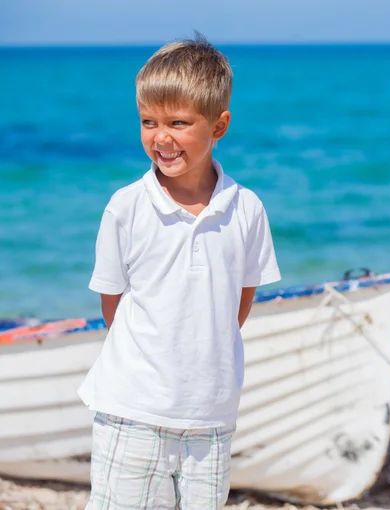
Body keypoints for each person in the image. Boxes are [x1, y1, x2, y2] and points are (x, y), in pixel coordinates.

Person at [78, 33, 281, 509]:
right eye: (148, 121)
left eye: (178, 122)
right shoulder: (126, 208)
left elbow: (240, 299)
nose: (160, 136)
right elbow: (114, 304)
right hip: (132, 408)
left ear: (219, 126)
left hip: (211, 414)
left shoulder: (246, 209)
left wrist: (201, 358)